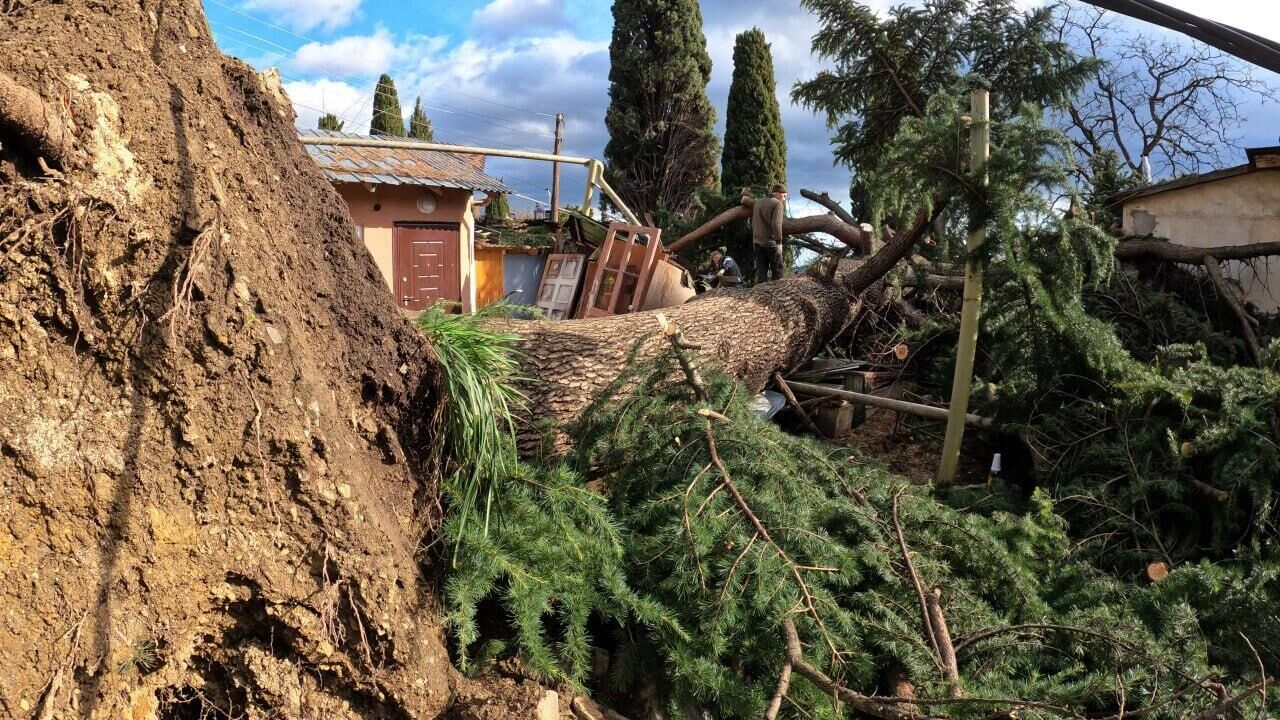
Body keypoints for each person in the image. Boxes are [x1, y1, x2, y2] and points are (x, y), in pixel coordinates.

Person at [752, 184, 787, 283]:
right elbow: (776, 224)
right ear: (777, 194)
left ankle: (760, 294)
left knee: (762, 271)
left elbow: (754, 222)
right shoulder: (777, 204)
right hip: (771, 243)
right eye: (784, 195)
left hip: (757, 242)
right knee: (777, 271)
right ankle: (778, 294)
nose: (784, 199)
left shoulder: (757, 202)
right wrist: (779, 243)